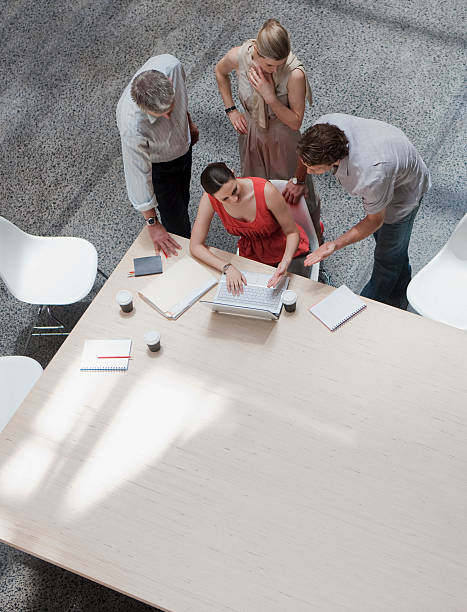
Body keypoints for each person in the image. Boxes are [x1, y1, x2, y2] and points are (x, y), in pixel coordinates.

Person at [297, 113, 431, 309]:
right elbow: (303, 157)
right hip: (388, 166)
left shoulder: (370, 175)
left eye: (313, 169)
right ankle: (401, 295)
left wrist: (334, 245)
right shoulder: (321, 130)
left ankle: (363, 310)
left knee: (387, 260)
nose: (308, 172)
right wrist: (298, 181)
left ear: (333, 161)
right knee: (394, 250)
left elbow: (375, 220)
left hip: (403, 195)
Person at [215, 18, 323, 243]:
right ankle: (273, 243)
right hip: (252, 135)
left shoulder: (294, 74)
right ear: (256, 52)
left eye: (280, 64)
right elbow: (220, 71)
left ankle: (311, 242)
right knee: (257, 194)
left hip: (283, 138)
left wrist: (270, 97)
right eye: (270, 66)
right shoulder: (240, 56)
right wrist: (231, 110)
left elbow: (295, 122)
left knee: (295, 195)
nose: (276, 70)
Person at [116, 54, 199, 256]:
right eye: (161, 115)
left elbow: (182, 102)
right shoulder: (132, 128)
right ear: (143, 109)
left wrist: (188, 123)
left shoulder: (172, 66)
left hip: (182, 147)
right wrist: (152, 224)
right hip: (159, 165)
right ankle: (185, 256)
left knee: (183, 197)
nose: (169, 116)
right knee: (176, 223)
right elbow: (138, 176)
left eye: (171, 107)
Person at [189, 163, 310, 294]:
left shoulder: (266, 191)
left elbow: (292, 232)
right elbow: (195, 246)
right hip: (253, 254)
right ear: (212, 196)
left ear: (233, 174)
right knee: (249, 297)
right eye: (225, 199)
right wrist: (227, 267)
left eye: (234, 190)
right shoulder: (208, 199)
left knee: (294, 293)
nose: (234, 199)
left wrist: (285, 262)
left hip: (285, 247)